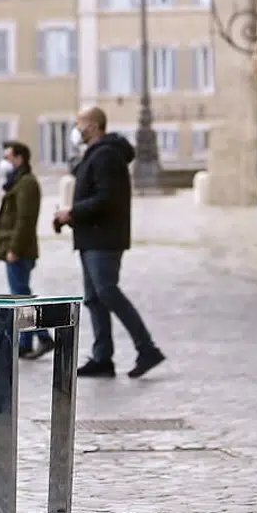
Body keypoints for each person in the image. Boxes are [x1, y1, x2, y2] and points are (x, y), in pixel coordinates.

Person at [52, 106, 165, 379]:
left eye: (79, 123)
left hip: (104, 239)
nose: (76, 128)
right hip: (91, 237)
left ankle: (147, 348)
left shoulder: (106, 156)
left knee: (107, 292)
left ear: (92, 125)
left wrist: (72, 212)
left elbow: (106, 199)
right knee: (94, 298)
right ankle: (103, 358)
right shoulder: (95, 155)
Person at [0, 140, 53, 359]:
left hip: (20, 250)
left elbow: (26, 220)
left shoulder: (27, 182)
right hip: (15, 246)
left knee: (22, 296)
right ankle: (26, 343)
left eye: (8, 157)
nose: (5, 162)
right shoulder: (17, 181)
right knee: (20, 294)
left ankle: (44, 337)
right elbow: (15, 215)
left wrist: (14, 248)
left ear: (19, 158)